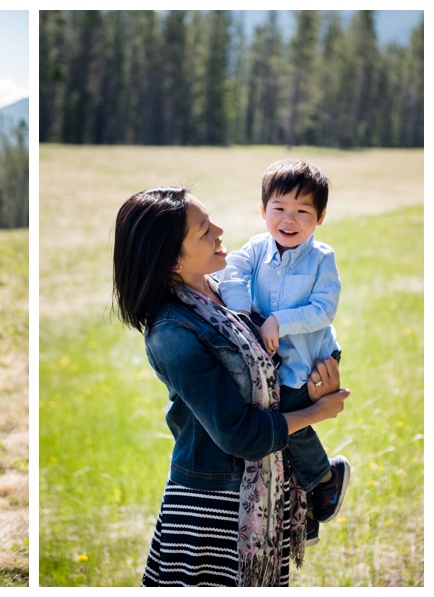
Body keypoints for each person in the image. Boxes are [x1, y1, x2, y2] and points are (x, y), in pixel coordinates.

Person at [112, 186, 349, 587]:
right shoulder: (172, 331)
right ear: (171, 259)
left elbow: (271, 367)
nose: (220, 231)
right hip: (214, 509)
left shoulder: (226, 290)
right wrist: (315, 413)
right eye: (204, 230)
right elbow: (239, 433)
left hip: (259, 496)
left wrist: (314, 382)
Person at [218, 160, 350, 545]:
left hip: (309, 362)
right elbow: (233, 276)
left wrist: (278, 320)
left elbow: (324, 310)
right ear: (263, 211)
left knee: (288, 423)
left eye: (303, 211)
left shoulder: (321, 258)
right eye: (279, 208)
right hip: (269, 365)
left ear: (320, 217)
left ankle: (325, 478)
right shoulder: (255, 249)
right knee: (275, 438)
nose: (289, 219)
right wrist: (244, 313)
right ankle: (304, 513)